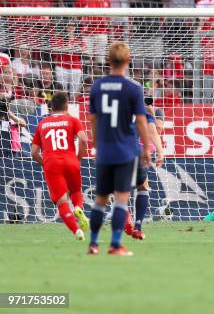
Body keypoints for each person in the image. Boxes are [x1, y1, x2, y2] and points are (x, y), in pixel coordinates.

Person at [87, 42, 151, 256]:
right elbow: (141, 121)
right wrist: (147, 149)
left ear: (108, 60)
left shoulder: (97, 86)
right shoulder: (133, 88)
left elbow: (93, 119)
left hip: (104, 150)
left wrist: (96, 142)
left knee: (100, 199)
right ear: (128, 60)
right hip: (125, 151)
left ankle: (93, 244)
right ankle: (115, 245)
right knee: (122, 199)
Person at [31, 92, 89, 240]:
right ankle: (77, 208)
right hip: (70, 160)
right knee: (75, 190)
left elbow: (34, 152)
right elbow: (83, 139)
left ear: (51, 107)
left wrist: (46, 164)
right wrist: (78, 158)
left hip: (51, 163)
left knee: (62, 201)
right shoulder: (73, 120)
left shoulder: (42, 124)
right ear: (67, 105)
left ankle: (77, 231)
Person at [124, 98, 165, 240]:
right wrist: (161, 152)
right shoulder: (141, 112)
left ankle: (126, 218)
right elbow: (154, 130)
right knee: (141, 187)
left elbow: (159, 128)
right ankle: (138, 227)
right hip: (136, 152)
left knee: (120, 189)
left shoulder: (113, 110)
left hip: (117, 151)